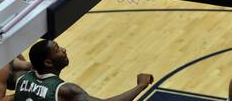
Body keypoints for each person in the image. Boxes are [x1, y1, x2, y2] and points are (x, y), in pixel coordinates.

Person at [14, 40, 154, 101]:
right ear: (48, 62)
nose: (63, 50)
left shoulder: (20, 79)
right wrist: (141, 86)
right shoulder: (66, 91)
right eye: (57, 50)